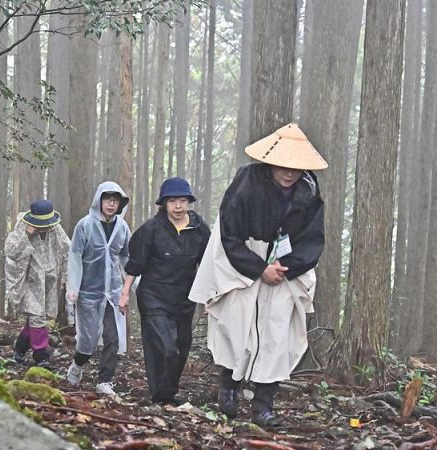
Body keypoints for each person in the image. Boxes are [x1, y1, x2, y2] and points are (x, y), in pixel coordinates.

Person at [189, 123, 327, 428]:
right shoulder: (248, 180)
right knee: (235, 326)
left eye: (295, 167)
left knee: (277, 335)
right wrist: (257, 267)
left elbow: (313, 239)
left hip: (285, 269)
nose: (288, 173)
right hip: (244, 260)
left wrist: (284, 267)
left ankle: (264, 404)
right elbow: (229, 230)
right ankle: (229, 388)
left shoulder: (309, 189)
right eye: (283, 165)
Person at [119, 177, 210, 406]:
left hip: (185, 297)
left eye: (182, 200)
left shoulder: (199, 229)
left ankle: (167, 394)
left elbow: (207, 265)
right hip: (154, 296)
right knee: (164, 346)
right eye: (172, 201)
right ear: (164, 204)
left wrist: (208, 297)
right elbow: (135, 264)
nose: (178, 206)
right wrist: (125, 292)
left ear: (189, 202)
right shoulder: (151, 229)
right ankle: (160, 394)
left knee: (182, 347)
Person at [65, 181, 131, 397]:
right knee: (88, 340)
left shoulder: (122, 227)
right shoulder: (84, 225)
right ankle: (78, 364)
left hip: (112, 293)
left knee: (113, 337)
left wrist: (131, 286)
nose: (111, 204)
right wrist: (73, 287)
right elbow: (75, 257)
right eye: (107, 199)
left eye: (115, 200)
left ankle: (105, 380)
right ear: (99, 201)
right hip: (88, 292)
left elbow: (126, 258)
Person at [4, 199, 70, 367]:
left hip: (49, 280)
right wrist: (27, 234)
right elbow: (10, 251)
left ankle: (20, 347)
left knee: (38, 315)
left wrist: (69, 277)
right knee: (36, 316)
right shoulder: (23, 227)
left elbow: (67, 248)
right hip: (29, 280)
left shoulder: (55, 227)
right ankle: (41, 354)